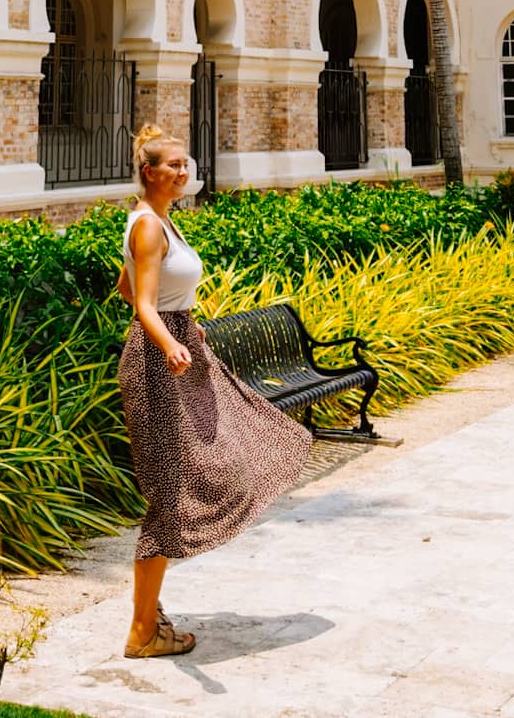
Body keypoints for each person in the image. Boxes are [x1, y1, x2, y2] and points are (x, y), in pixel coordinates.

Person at [115, 125, 311, 659]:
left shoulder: (155, 222)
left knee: (237, 449)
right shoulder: (150, 228)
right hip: (162, 366)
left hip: (174, 348)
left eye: (186, 163)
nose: (183, 172)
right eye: (173, 165)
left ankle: (147, 620)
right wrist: (170, 341)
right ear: (149, 172)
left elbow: (127, 284)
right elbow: (142, 305)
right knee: (174, 493)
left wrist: (184, 324)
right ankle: (142, 631)